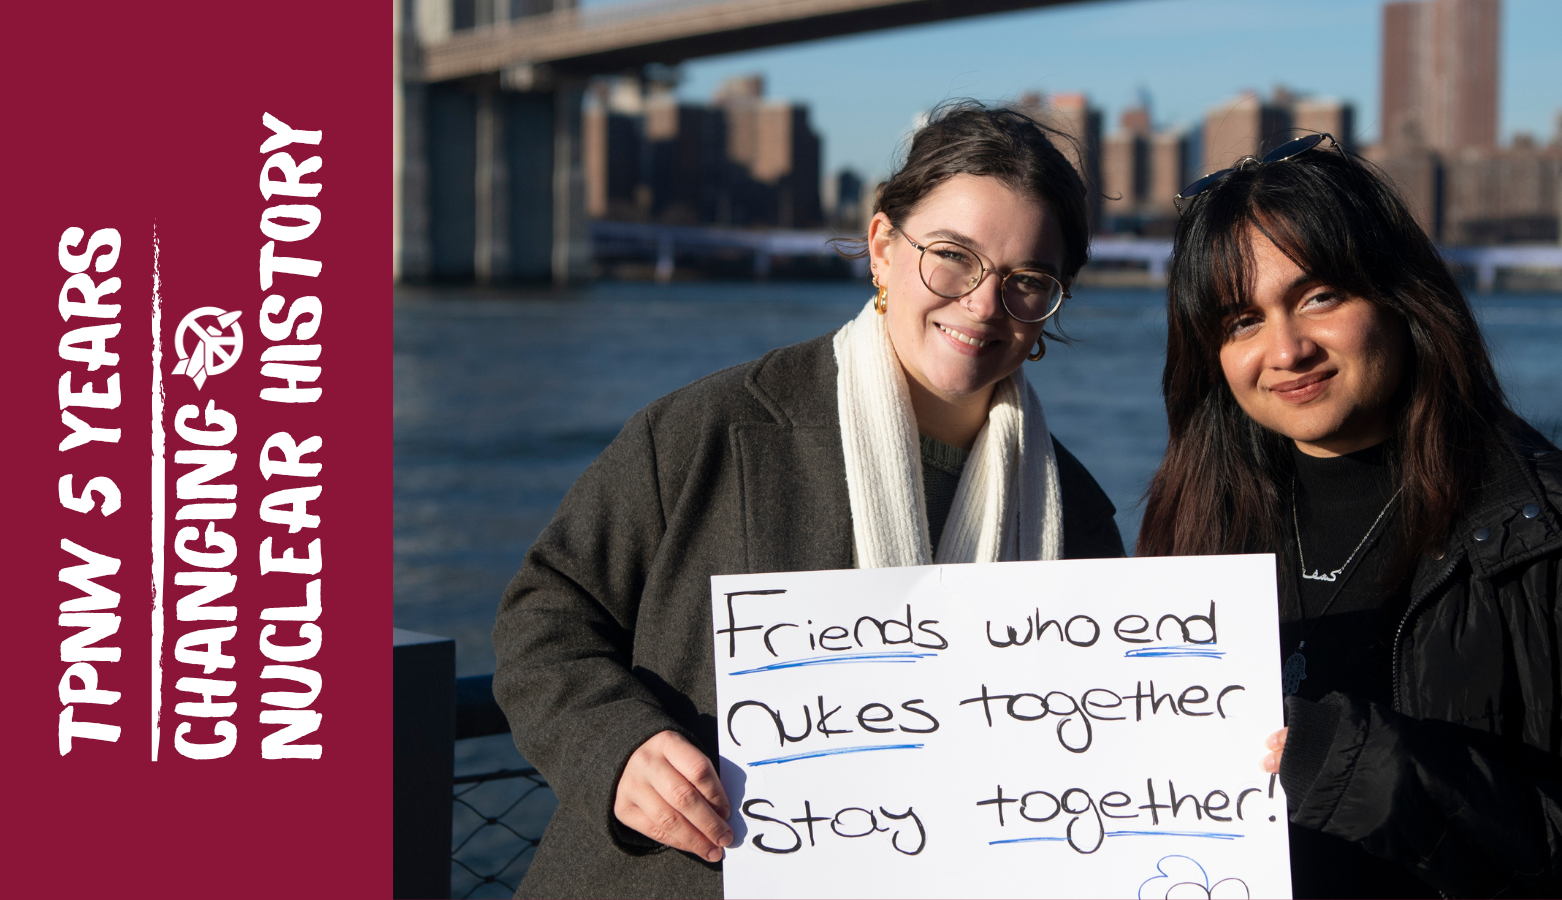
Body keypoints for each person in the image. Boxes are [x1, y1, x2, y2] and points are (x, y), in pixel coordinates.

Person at [491, 101, 1125, 898]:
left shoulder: (1075, 513)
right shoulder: (712, 429)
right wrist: (616, 749)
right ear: (882, 247)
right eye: (952, 256)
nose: (982, 304)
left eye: (1026, 280)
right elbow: (545, 613)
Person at [1138, 133, 1562, 898]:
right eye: (1241, 321)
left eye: (1319, 297)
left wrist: (1357, 769)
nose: (1287, 348)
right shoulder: (1192, 535)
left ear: (1400, 297)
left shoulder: (1538, 535)